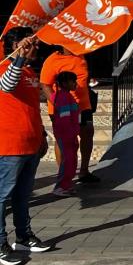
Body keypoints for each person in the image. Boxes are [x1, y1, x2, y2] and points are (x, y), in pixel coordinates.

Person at [0, 29, 52, 265]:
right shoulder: (5, 68)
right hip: (9, 145)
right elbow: (7, 86)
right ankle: (1, 243)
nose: (37, 49)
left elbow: (32, 106)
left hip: (30, 143)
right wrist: (19, 56)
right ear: (17, 46)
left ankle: (24, 236)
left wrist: (41, 134)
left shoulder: (30, 71)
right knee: (2, 196)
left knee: (22, 195)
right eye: (33, 45)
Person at [40, 47, 98, 184]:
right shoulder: (52, 60)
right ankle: (63, 175)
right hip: (63, 108)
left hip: (83, 106)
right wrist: (57, 104)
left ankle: (84, 171)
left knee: (87, 132)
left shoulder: (81, 55)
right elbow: (45, 85)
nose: (75, 44)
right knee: (63, 140)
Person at [51, 72, 80, 198]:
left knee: (72, 160)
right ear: (64, 83)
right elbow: (64, 119)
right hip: (66, 134)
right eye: (73, 81)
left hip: (70, 134)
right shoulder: (63, 97)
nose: (75, 83)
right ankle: (60, 186)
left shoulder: (67, 96)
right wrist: (70, 135)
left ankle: (66, 185)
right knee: (67, 160)